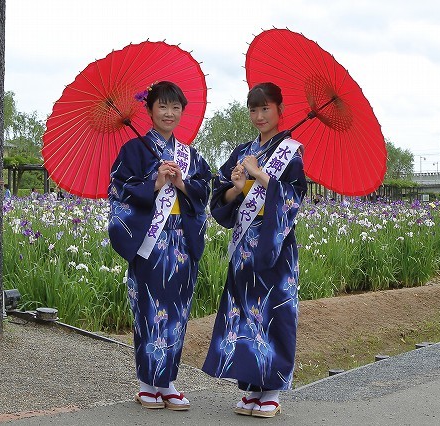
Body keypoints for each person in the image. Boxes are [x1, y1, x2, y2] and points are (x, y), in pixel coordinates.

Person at [201, 82, 307, 418]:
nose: (259, 116)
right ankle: (249, 387)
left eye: (265, 108)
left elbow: (291, 199)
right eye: (253, 109)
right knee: (244, 313)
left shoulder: (291, 152)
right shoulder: (242, 151)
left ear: (280, 110)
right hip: (244, 249)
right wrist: (235, 188)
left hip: (274, 247)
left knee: (273, 313)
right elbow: (222, 200)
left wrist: (261, 175)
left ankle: (272, 390)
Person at [107, 81, 211, 411]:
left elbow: (204, 192)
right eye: (162, 106)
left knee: (178, 312)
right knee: (149, 309)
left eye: (175, 107)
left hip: (181, 240)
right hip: (149, 241)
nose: (169, 113)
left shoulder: (190, 155)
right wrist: (154, 183)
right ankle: (146, 384)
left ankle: (167, 383)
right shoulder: (133, 151)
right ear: (149, 110)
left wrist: (182, 182)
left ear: (182, 111)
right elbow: (118, 191)